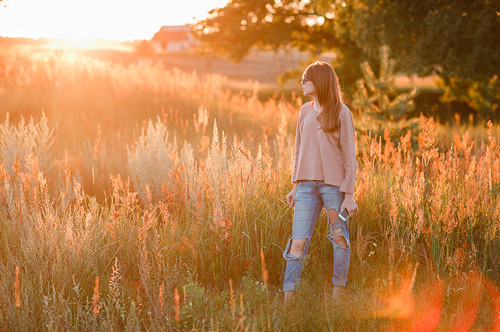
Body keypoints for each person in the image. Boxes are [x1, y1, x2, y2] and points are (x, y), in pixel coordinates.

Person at [283, 61, 358, 301]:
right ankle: (288, 299)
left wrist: (349, 194)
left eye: (306, 79)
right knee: (298, 241)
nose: (302, 83)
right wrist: (295, 186)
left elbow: (349, 156)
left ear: (320, 81)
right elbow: (298, 150)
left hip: (334, 188)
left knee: (339, 237)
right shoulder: (304, 110)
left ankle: (338, 293)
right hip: (305, 187)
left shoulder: (341, 112)